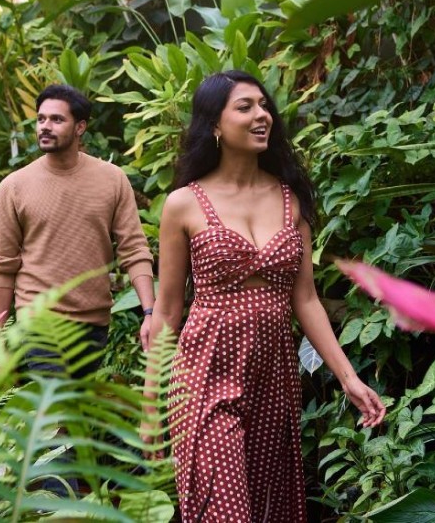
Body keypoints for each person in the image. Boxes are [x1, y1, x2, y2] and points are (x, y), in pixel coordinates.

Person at [150, 71, 386, 521]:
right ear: (214, 126)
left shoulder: (289, 199)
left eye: (263, 106)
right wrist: (149, 401)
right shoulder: (184, 203)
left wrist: (348, 378)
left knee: (267, 509)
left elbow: (307, 300)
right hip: (204, 373)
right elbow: (167, 310)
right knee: (225, 510)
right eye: (245, 107)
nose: (262, 115)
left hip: (272, 378)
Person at [0, 84, 156, 377]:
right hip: (39, 321)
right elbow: (3, 266)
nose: (45, 126)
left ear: (80, 127)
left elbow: (134, 249)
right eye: (41, 119)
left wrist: (150, 313)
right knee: (56, 410)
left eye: (56, 120)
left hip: (94, 322)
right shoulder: (14, 187)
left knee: (73, 415)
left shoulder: (112, 180)